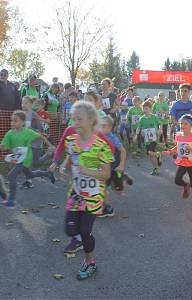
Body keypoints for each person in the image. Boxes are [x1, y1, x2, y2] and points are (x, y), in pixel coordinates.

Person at [59, 101, 113, 280]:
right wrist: (64, 167)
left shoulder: (100, 145)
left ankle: (90, 262)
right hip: (75, 193)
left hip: (93, 196)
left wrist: (87, 171)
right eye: (73, 119)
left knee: (84, 230)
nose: (75, 123)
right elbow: (70, 156)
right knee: (70, 230)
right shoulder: (71, 140)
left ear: (91, 120)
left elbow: (106, 174)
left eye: (79, 119)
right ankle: (83, 242)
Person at [0, 110, 55, 208]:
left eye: (15, 121)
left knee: (11, 176)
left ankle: (11, 200)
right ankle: (47, 173)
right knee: (31, 174)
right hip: (17, 159)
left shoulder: (28, 132)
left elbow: (41, 136)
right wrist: (2, 146)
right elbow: (4, 146)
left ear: (23, 122)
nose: (12, 123)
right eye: (11, 120)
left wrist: (50, 145)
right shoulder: (9, 133)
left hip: (26, 159)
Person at [150, 114, 192, 208]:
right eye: (181, 123)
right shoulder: (178, 136)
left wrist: (191, 148)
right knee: (177, 180)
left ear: (191, 125)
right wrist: (169, 151)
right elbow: (178, 147)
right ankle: (186, 186)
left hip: (191, 163)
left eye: (185, 124)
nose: (183, 126)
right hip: (182, 162)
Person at [98, 115, 127, 217]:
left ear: (110, 127)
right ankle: (107, 208)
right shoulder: (97, 136)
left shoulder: (112, 138)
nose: (101, 128)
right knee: (101, 187)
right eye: (100, 125)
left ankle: (120, 180)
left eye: (104, 126)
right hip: (103, 167)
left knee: (117, 189)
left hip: (115, 166)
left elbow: (123, 151)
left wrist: (122, 165)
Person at [135, 100, 161, 175]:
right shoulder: (142, 119)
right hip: (146, 140)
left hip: (154, 139)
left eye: (146, 108)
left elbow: (160, 124)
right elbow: (138, 128)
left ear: (150, 109)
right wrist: (136, 135)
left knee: (150, 152)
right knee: (150, 155)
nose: (145, 110)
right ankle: (156, 168)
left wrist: (160, 130)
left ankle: (158, 156)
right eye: (143, 108)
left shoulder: (154, 117)